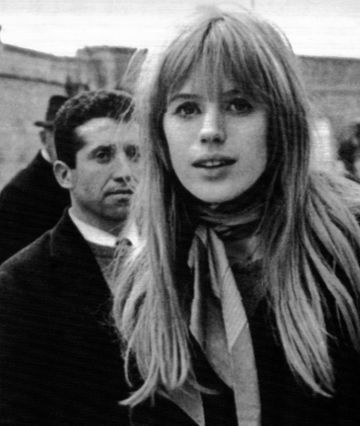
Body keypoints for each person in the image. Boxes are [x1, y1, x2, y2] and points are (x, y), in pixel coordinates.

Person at [113, 8, 360, 426]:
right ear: (160, 130)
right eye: (187, 108)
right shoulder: (147, 276)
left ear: (279, 123)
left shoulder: (346, 245)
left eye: (239, 104)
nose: (210, 130)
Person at [0, 90, 139, 425]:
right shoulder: (19, 284)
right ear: (64, 174)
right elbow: (12, 414)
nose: (125, 171)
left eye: (135, 153)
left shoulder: (184, 259)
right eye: (103, 155)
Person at [0, 95, 71, 276]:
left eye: (72, 137)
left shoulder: (81, 180)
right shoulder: (19, 192)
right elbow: (0, 264)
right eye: (59, 135)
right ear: (43, 138)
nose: (66, 145)